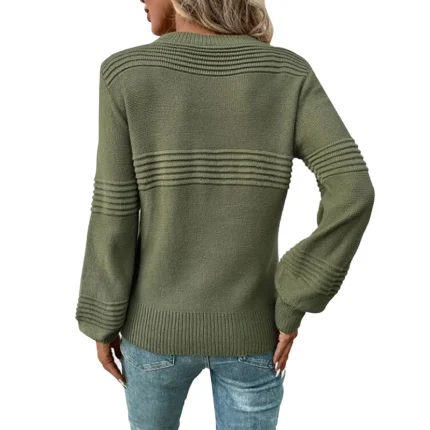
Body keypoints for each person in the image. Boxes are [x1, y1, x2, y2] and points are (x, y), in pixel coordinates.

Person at [75, 0, 375, 428]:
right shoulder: (287, 73)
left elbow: (114, 209)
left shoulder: (125, 73)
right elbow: (353, 189)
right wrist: (294, 298)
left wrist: (102, 318)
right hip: (255, 334)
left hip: (154, 334)